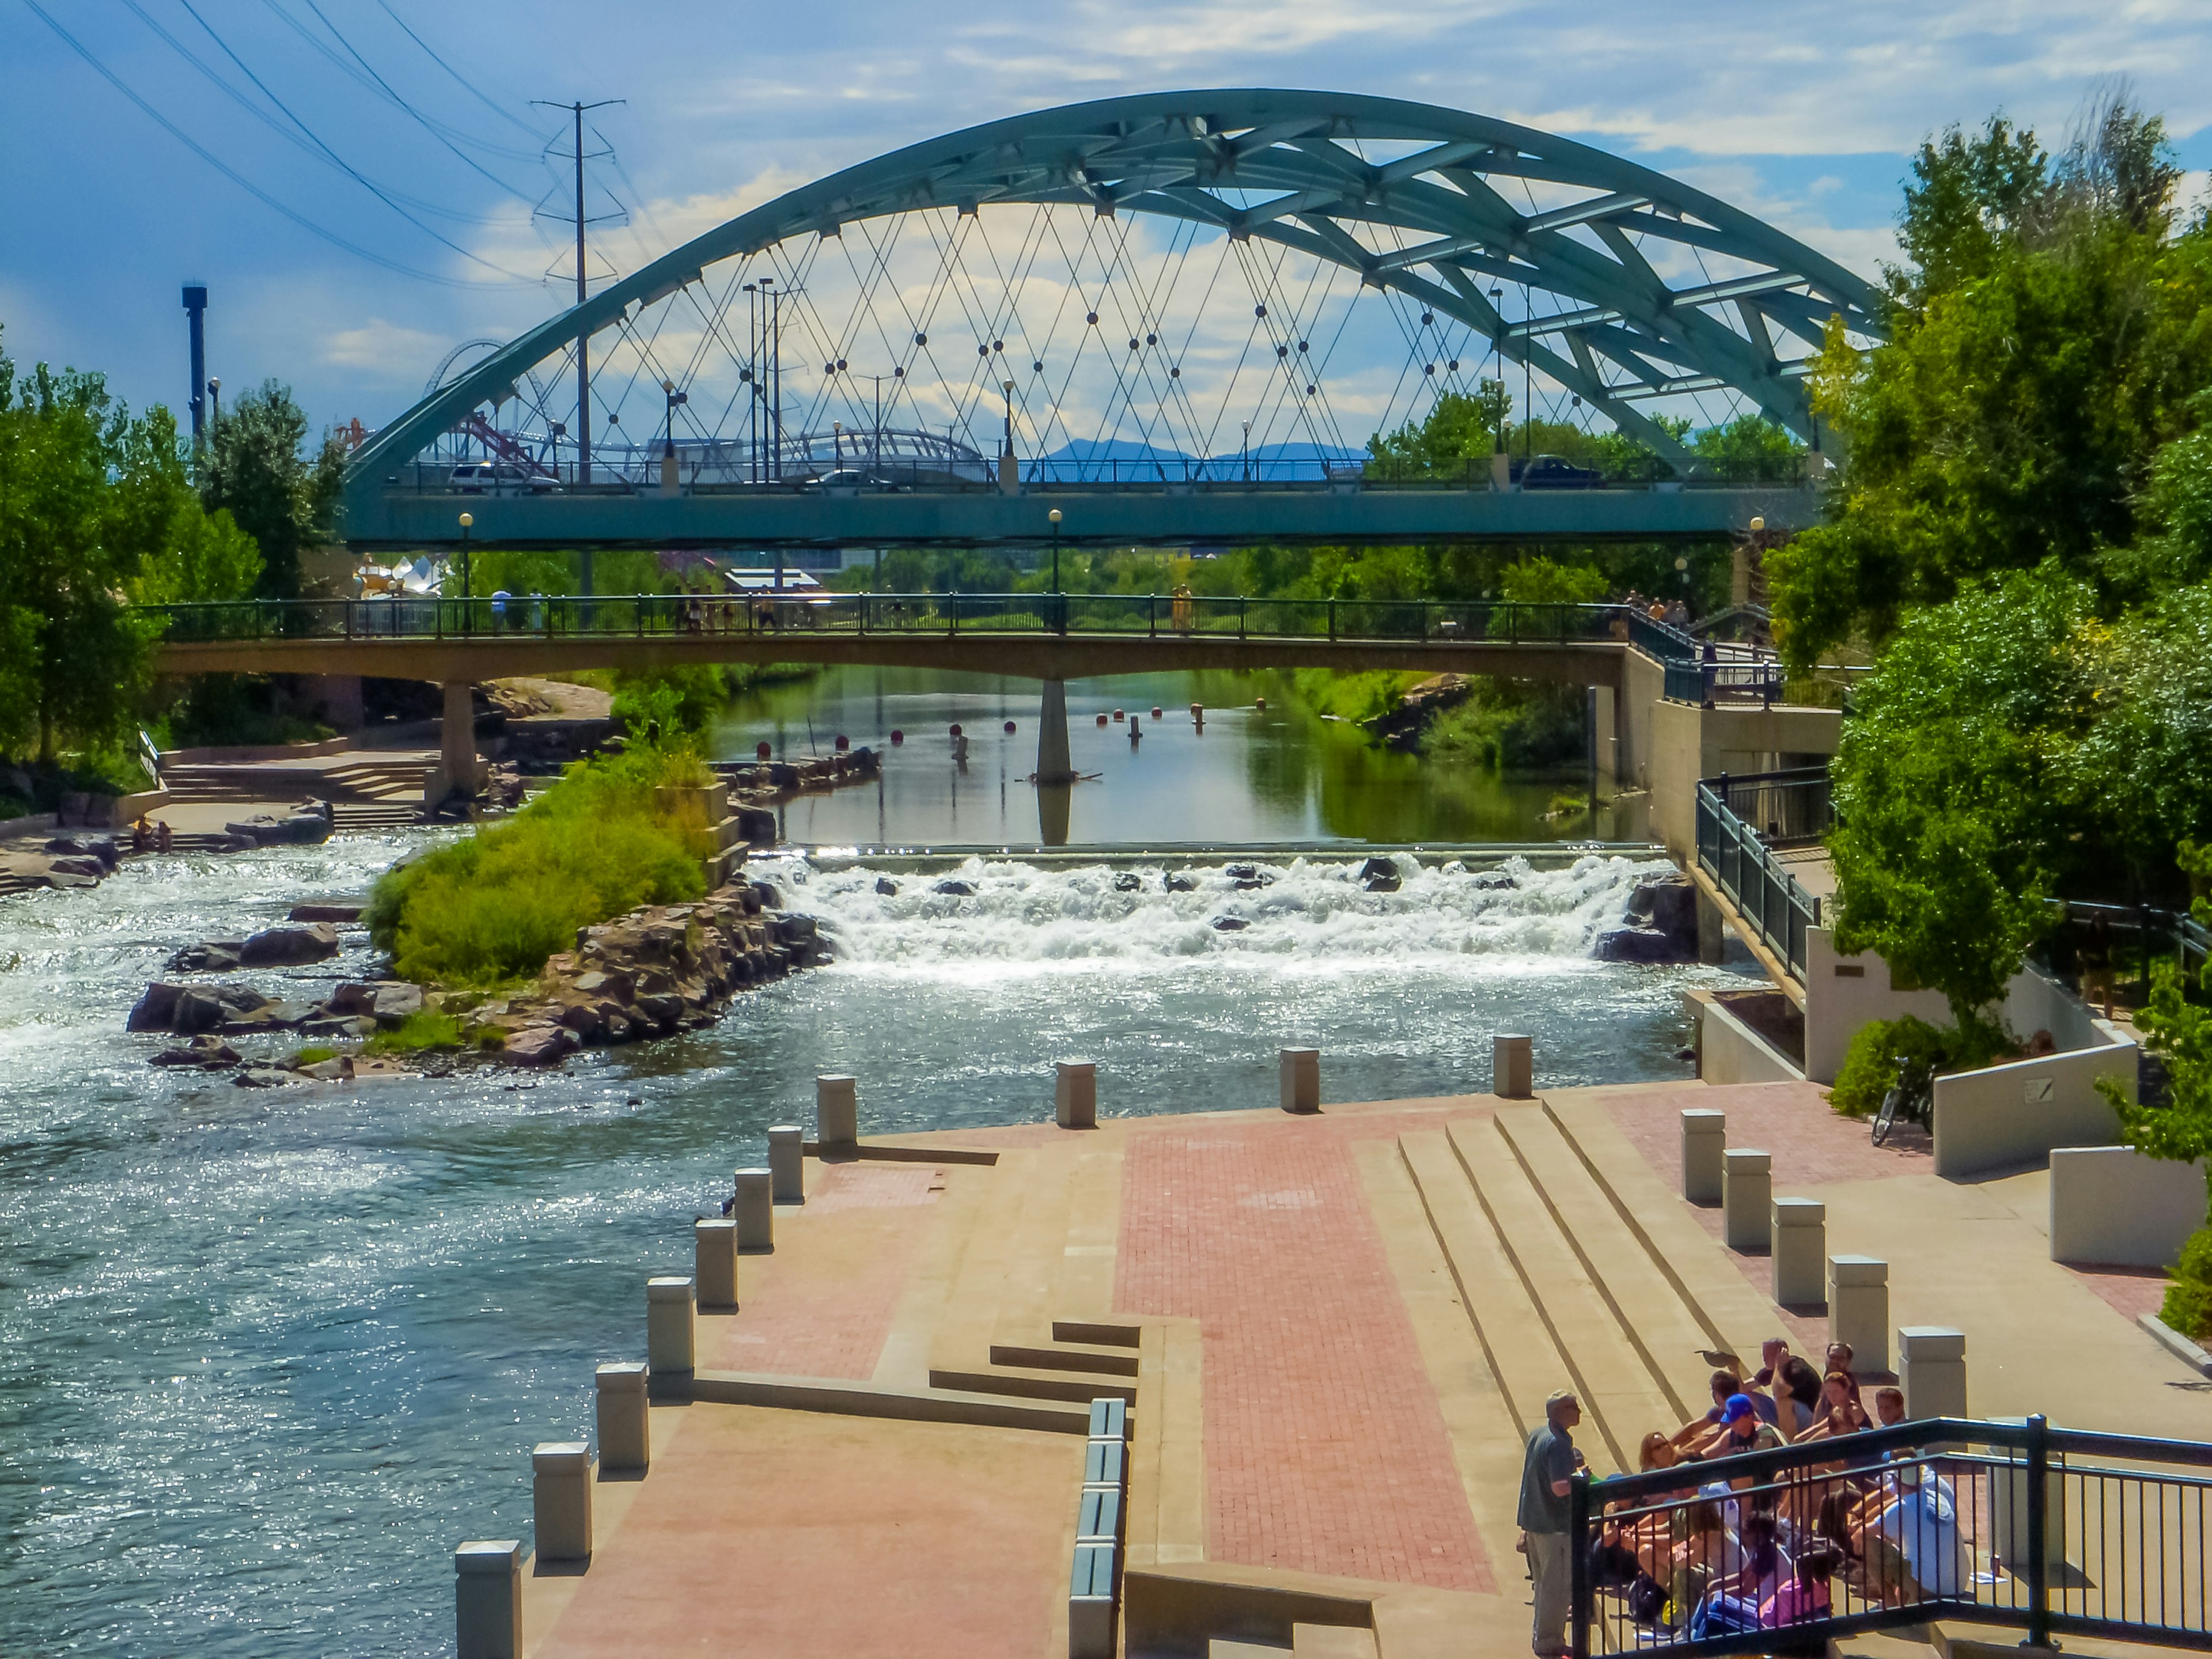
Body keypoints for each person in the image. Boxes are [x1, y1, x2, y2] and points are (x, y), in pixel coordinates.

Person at [1519, 1390, 1582, 1657]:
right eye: (1573, 1407)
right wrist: (1583, 1481)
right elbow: (1559, 1488)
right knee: (1555, 1588)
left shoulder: (1538, 1434)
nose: (1579, 1411)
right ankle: (1549, 1643)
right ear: (1559, 1413)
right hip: (1554, 1526)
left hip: (1534, 1521)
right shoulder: (1557, 1445)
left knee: (1544, 1584)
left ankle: (1543, 1638)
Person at [1763, 1539, 1843, 1627]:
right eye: (1823, 1567)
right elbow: (1782, 1626)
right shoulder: (1787, 1592)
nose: (1828, 1572)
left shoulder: (1822, 1587)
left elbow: (1825, 1615)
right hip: (1769, 1627)